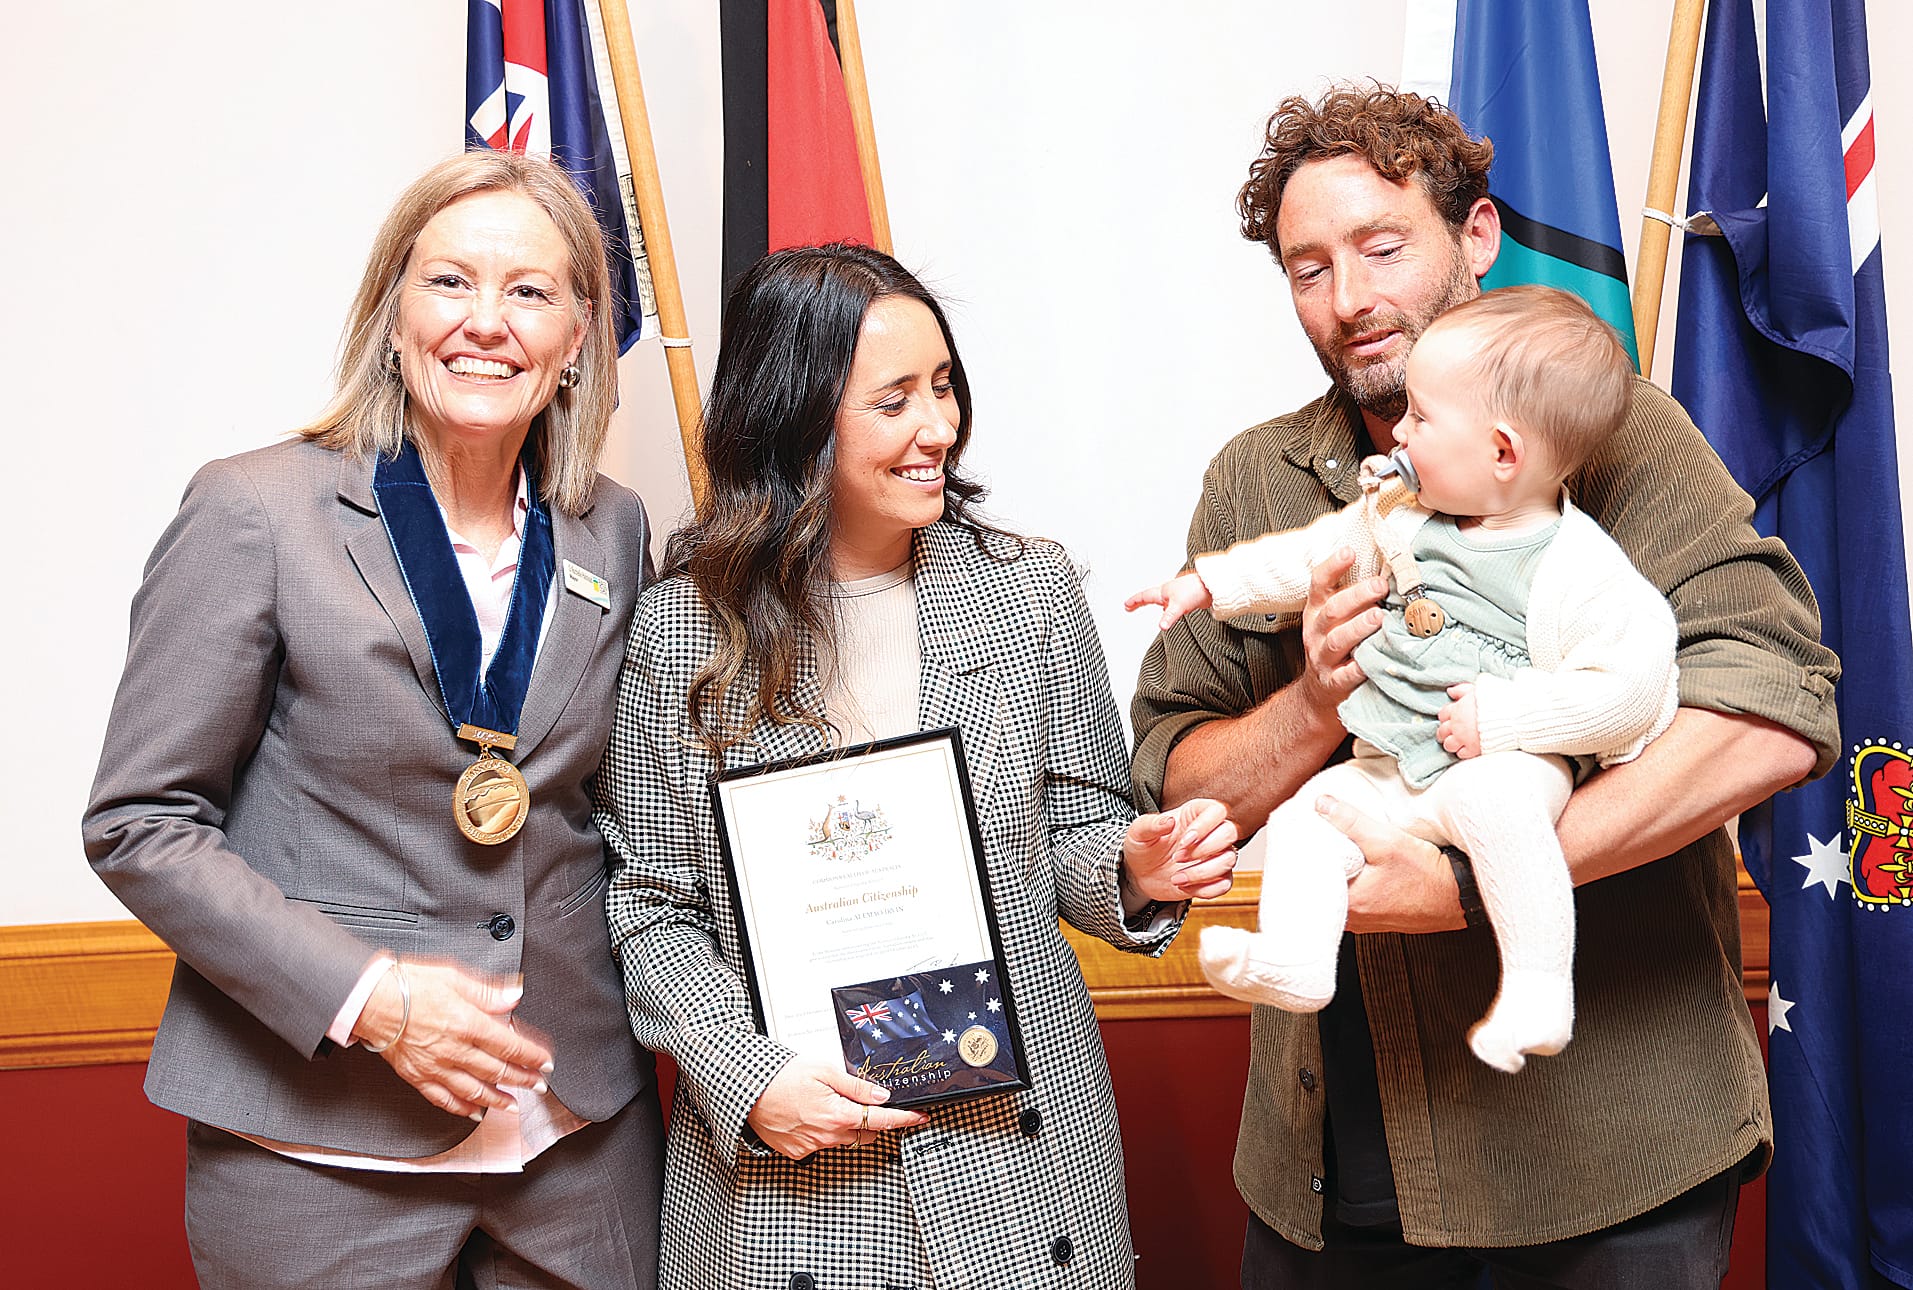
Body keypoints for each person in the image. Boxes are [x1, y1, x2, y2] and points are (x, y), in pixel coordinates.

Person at [1129, 85, 1840, 1287]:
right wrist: (1311, 704)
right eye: (1306, 268)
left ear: (1474, 237)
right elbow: (1178, 777)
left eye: (1380, 246)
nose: (1347, 298)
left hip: (1603, 1166)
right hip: (1323, 1181)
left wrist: (1468, 878)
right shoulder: (1255, 481)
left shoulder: (1615, 436)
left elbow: (1770, 708)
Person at [596, 242, 1239, 1289]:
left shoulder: (1028, 592)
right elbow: (651, 907)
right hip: (796, 1182)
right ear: (796, 419)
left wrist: (1131, 868)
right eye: (892, 400)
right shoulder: (680, 635)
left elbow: (1076, 835)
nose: (937, 426)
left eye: (942, 387)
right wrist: (747, 1077)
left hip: (1017, 1161)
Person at [83, 150, 663, 1288]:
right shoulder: (254, 509)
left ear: (579, 335)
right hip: (319, 1148)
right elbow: (140, 822)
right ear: (393, 309)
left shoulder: (612, 530)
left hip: (578, 1149)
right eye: (449, 282)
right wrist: (374, 999)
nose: (485, 323)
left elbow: (616, 812)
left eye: (530, 292)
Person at [1130, 286, 1679, 1073]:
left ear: (1500, 453)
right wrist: (1211, 585)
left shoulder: (1579, 567)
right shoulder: (1400, 514)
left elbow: (1628, 694)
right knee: (1308, 818)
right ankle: (1295, 961)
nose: (1402, 431)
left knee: (1500, 815)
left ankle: (1534, 987)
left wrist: (1509, 721)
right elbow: (1311, 555)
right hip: (1391, 764)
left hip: (1502, 763)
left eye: (1421, 418)